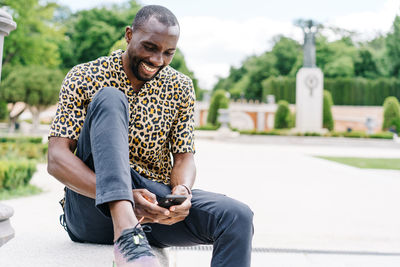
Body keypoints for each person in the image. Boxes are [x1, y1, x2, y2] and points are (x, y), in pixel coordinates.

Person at [47, 5, 253, 267]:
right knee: (111, 98)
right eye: (150, 47)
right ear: (129, 35)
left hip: (153, 206)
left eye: (168, 53)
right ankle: (126, 235)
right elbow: (56, 159)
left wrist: (182, 191)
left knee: (237, 216)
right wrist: (123, 196)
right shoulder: (84, 76)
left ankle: (134, 229)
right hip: (91, 206)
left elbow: (183, 157)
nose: (158, 60)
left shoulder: (180, 87)